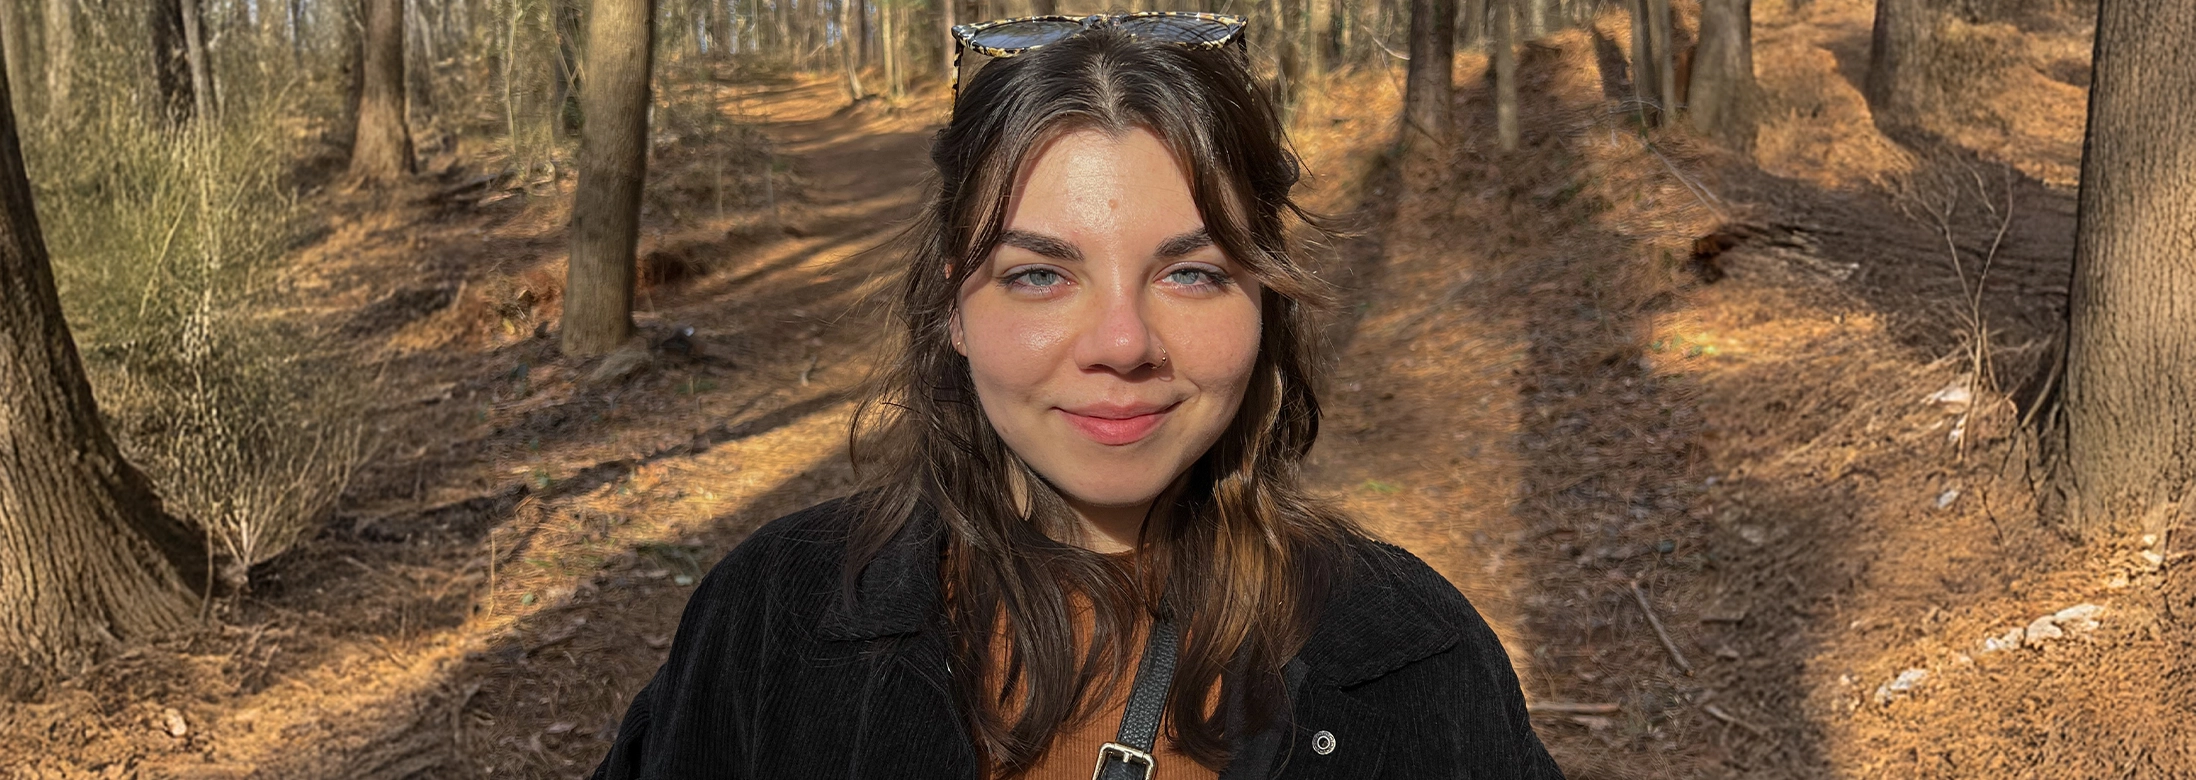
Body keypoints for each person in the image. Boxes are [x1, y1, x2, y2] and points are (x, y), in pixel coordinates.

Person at [591, 12, 1562, 780]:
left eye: (1192, 274)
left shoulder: (1410, 660)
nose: (1124, 344)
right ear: (953, 306)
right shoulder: (773, 620)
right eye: (1040, 276)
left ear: (1264, 298)